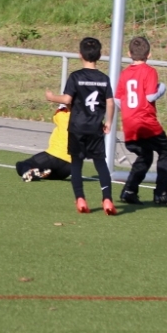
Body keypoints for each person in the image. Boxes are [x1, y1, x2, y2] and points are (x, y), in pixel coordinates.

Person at [45, 37, 117, 215]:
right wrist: (109, 121)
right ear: (99, 55)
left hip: (77, 127)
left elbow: (67, 99)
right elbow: (110, 102)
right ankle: (107, 199)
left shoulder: (76, 77)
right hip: (95, 128)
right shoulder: (104, 79)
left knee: (76, 164)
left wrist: (52, 97)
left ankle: (80, 198)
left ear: (80, 55)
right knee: (100, 163)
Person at [113, 36, 167, 207]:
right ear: (149, 54)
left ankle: (129, 191)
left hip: (129, 123)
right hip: (146, 122)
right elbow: (150, 96)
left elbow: (118, 100)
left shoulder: (125, 73)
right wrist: (162, 88)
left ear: (129, 54)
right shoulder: (150, 71)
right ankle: (162, 193)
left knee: (145, 155)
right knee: (166, 151)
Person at [16, 105, 71, 182]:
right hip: (69, 168)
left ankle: (28, 172)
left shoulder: (63, 114)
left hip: (55, 155)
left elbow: (64, 104)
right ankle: (38, 172)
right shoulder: (85, 118)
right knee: (43, 171)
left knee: (22, 165)